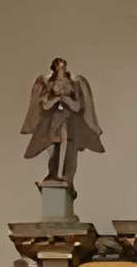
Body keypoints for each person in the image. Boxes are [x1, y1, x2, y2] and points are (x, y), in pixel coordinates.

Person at [20, 57, 104, 188]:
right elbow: (46, 105)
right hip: (51, 122)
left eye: (63, 67)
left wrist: (66, 100)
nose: (62, 70)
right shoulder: (49, 84)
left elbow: (77, 106)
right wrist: (55, 99)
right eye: (59, 67)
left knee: (65, 142)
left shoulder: (72, 84)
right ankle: (54, 173)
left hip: (65, 118)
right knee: (53, 151)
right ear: (55, 68)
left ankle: (60, 174)